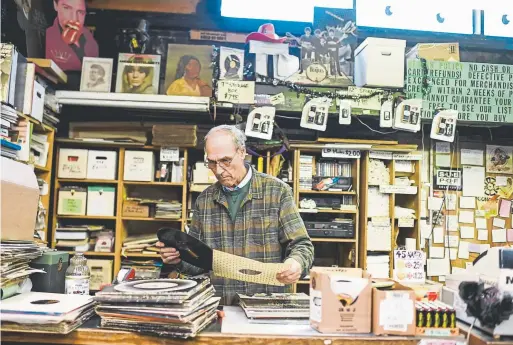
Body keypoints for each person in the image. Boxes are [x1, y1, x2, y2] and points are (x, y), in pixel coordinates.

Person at [157, 125, 314, 305]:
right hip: (220, 306)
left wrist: (296, 263)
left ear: (242, 152)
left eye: (225, 160)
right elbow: (197, 263)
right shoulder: (204, 200)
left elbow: (302, 245)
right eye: (212, 162)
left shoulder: (277, 192)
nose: (219, 170)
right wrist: (178, 259)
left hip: (267, 305)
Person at [45, 0, 99, 71]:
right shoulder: (45, 38)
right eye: (66, 8)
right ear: (55, 5)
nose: (74, 19)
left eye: (80, 12)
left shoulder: (91, 42)